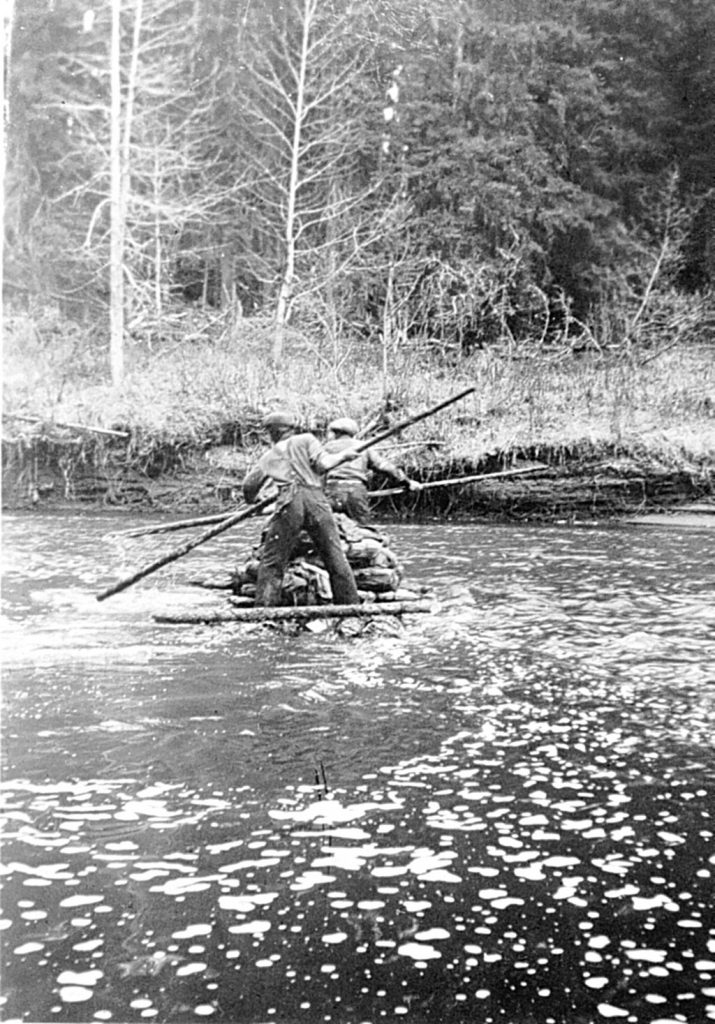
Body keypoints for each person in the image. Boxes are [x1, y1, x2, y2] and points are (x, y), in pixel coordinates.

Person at [242, 410, 361, 607]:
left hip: (289, 502)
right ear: (292, 428)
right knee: (335, 557)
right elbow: (323, 464)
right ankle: (350, 607)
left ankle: (264, 612)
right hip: (317, 501)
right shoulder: (306, 439)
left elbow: (249, 486)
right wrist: (344, 456)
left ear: (271, 433)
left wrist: (253, 502)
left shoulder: (269, 456)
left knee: (272, 562)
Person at [323, 417, 422, 523]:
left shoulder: (324, 448)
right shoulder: (363, 447)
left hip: (331, 491)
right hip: (356, 492)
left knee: (328, 526)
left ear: (335, 433)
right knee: (362, 527)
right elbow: (384, 467)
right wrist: (408, 482)